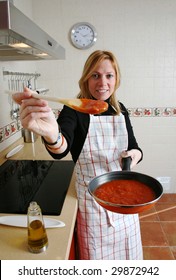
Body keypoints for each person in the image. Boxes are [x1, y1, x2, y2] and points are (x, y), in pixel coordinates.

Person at [13, 50, 143, 260]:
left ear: (116, 79)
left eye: (109, 75)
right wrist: (52, 134)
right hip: (93, 205)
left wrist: (134, 155)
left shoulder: (121, 110)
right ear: (86, 79)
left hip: (122, 198)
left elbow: (135, 147)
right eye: (95, 75)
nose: (103, 82)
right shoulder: (73, 110)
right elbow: (61, 147)